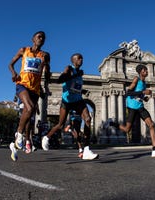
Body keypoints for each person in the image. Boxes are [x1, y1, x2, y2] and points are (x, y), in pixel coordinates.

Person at [41, 53, 98, 160]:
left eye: (82, 58)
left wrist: (82, 90)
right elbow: (60, 79)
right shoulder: (69, 68)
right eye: (79, 58)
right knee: (60, 124)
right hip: (66, 101)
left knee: (88, 119)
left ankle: (86, 149)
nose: (81, 60)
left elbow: (74, 87)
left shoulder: (80, 73)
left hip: (78, 100)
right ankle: (46, 137)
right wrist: (76, 75)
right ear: (73, 60)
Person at [8, 31, 50, 161]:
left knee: (29, 115)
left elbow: (47, 74)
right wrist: (14, 73)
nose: (41, 39)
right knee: (30, 108)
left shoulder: (45, 55)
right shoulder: (24, 50)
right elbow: (10, 64)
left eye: (43, 38)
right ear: (33, 39)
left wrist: (47, 71)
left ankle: (22, 140)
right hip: (22, 85)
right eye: (39, 37)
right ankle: (19, 135)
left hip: (35, 90)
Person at [109, 64, 155, 158]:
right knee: (127, 129)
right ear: (141, 71)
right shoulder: (136, 79)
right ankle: (112, 124)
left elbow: (139, 95)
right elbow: (128, 92)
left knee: (151, 125)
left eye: (147, 70)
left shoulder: (144, 83)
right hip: (132, 106)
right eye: (145, 70)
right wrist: (143, 92)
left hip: (140, 107)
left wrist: (144, 98)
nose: (147, 72)